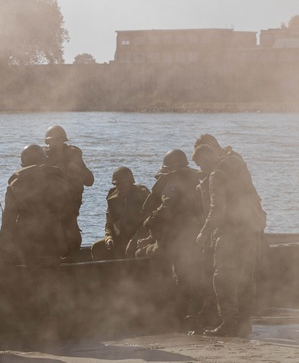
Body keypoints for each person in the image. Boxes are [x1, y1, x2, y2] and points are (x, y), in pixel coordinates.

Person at [194, 142, 268, 339]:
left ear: (205, 159)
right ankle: (244, 323)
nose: (201, 169)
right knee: (246, 276)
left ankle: (227, 323)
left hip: (230, 233)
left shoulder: (217, 175)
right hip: (251, 229)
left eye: (200, 165)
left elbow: (217, 209)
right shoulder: (237, 167)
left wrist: (204, 232)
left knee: (222, 277)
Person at [142, 149, 205, 324]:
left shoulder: (173, 183)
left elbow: (168, 205)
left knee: (165, 267)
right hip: (191, 234)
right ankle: (189, 310)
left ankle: (175, 312)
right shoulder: (194, 179)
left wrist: (151, 219)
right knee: (188, 273)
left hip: (176, 235)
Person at [0, 144, 74, 265]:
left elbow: (8, 223)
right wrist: (72, 248)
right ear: (44, 160)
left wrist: (2, 253)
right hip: (53, 245)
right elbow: (69, 219)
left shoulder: (15, 185)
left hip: (25, 246)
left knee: (27, 280)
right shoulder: (59, 183)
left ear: (23, 164)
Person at [43, 125, 94, 252]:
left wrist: (77, 169)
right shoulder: (43, 157)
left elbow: (89, 180)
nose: (54, 145)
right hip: (50, 204)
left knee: (71, 235)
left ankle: (73, 259)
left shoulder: (73, 154)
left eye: (58, 141)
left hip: (71, 202)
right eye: (52, 141)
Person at [90, 167, 150, 260]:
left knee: (137, 251)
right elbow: (108, 225)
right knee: (97, 248)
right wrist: (109, 238)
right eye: (117, 184)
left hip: (139, 238)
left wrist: (134, 240)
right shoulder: (112, 198)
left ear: (130, 183)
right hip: (120, 239)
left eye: (123, 184)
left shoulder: (142, 196)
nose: (120, 187)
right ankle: (107, 273)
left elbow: (148, 224)